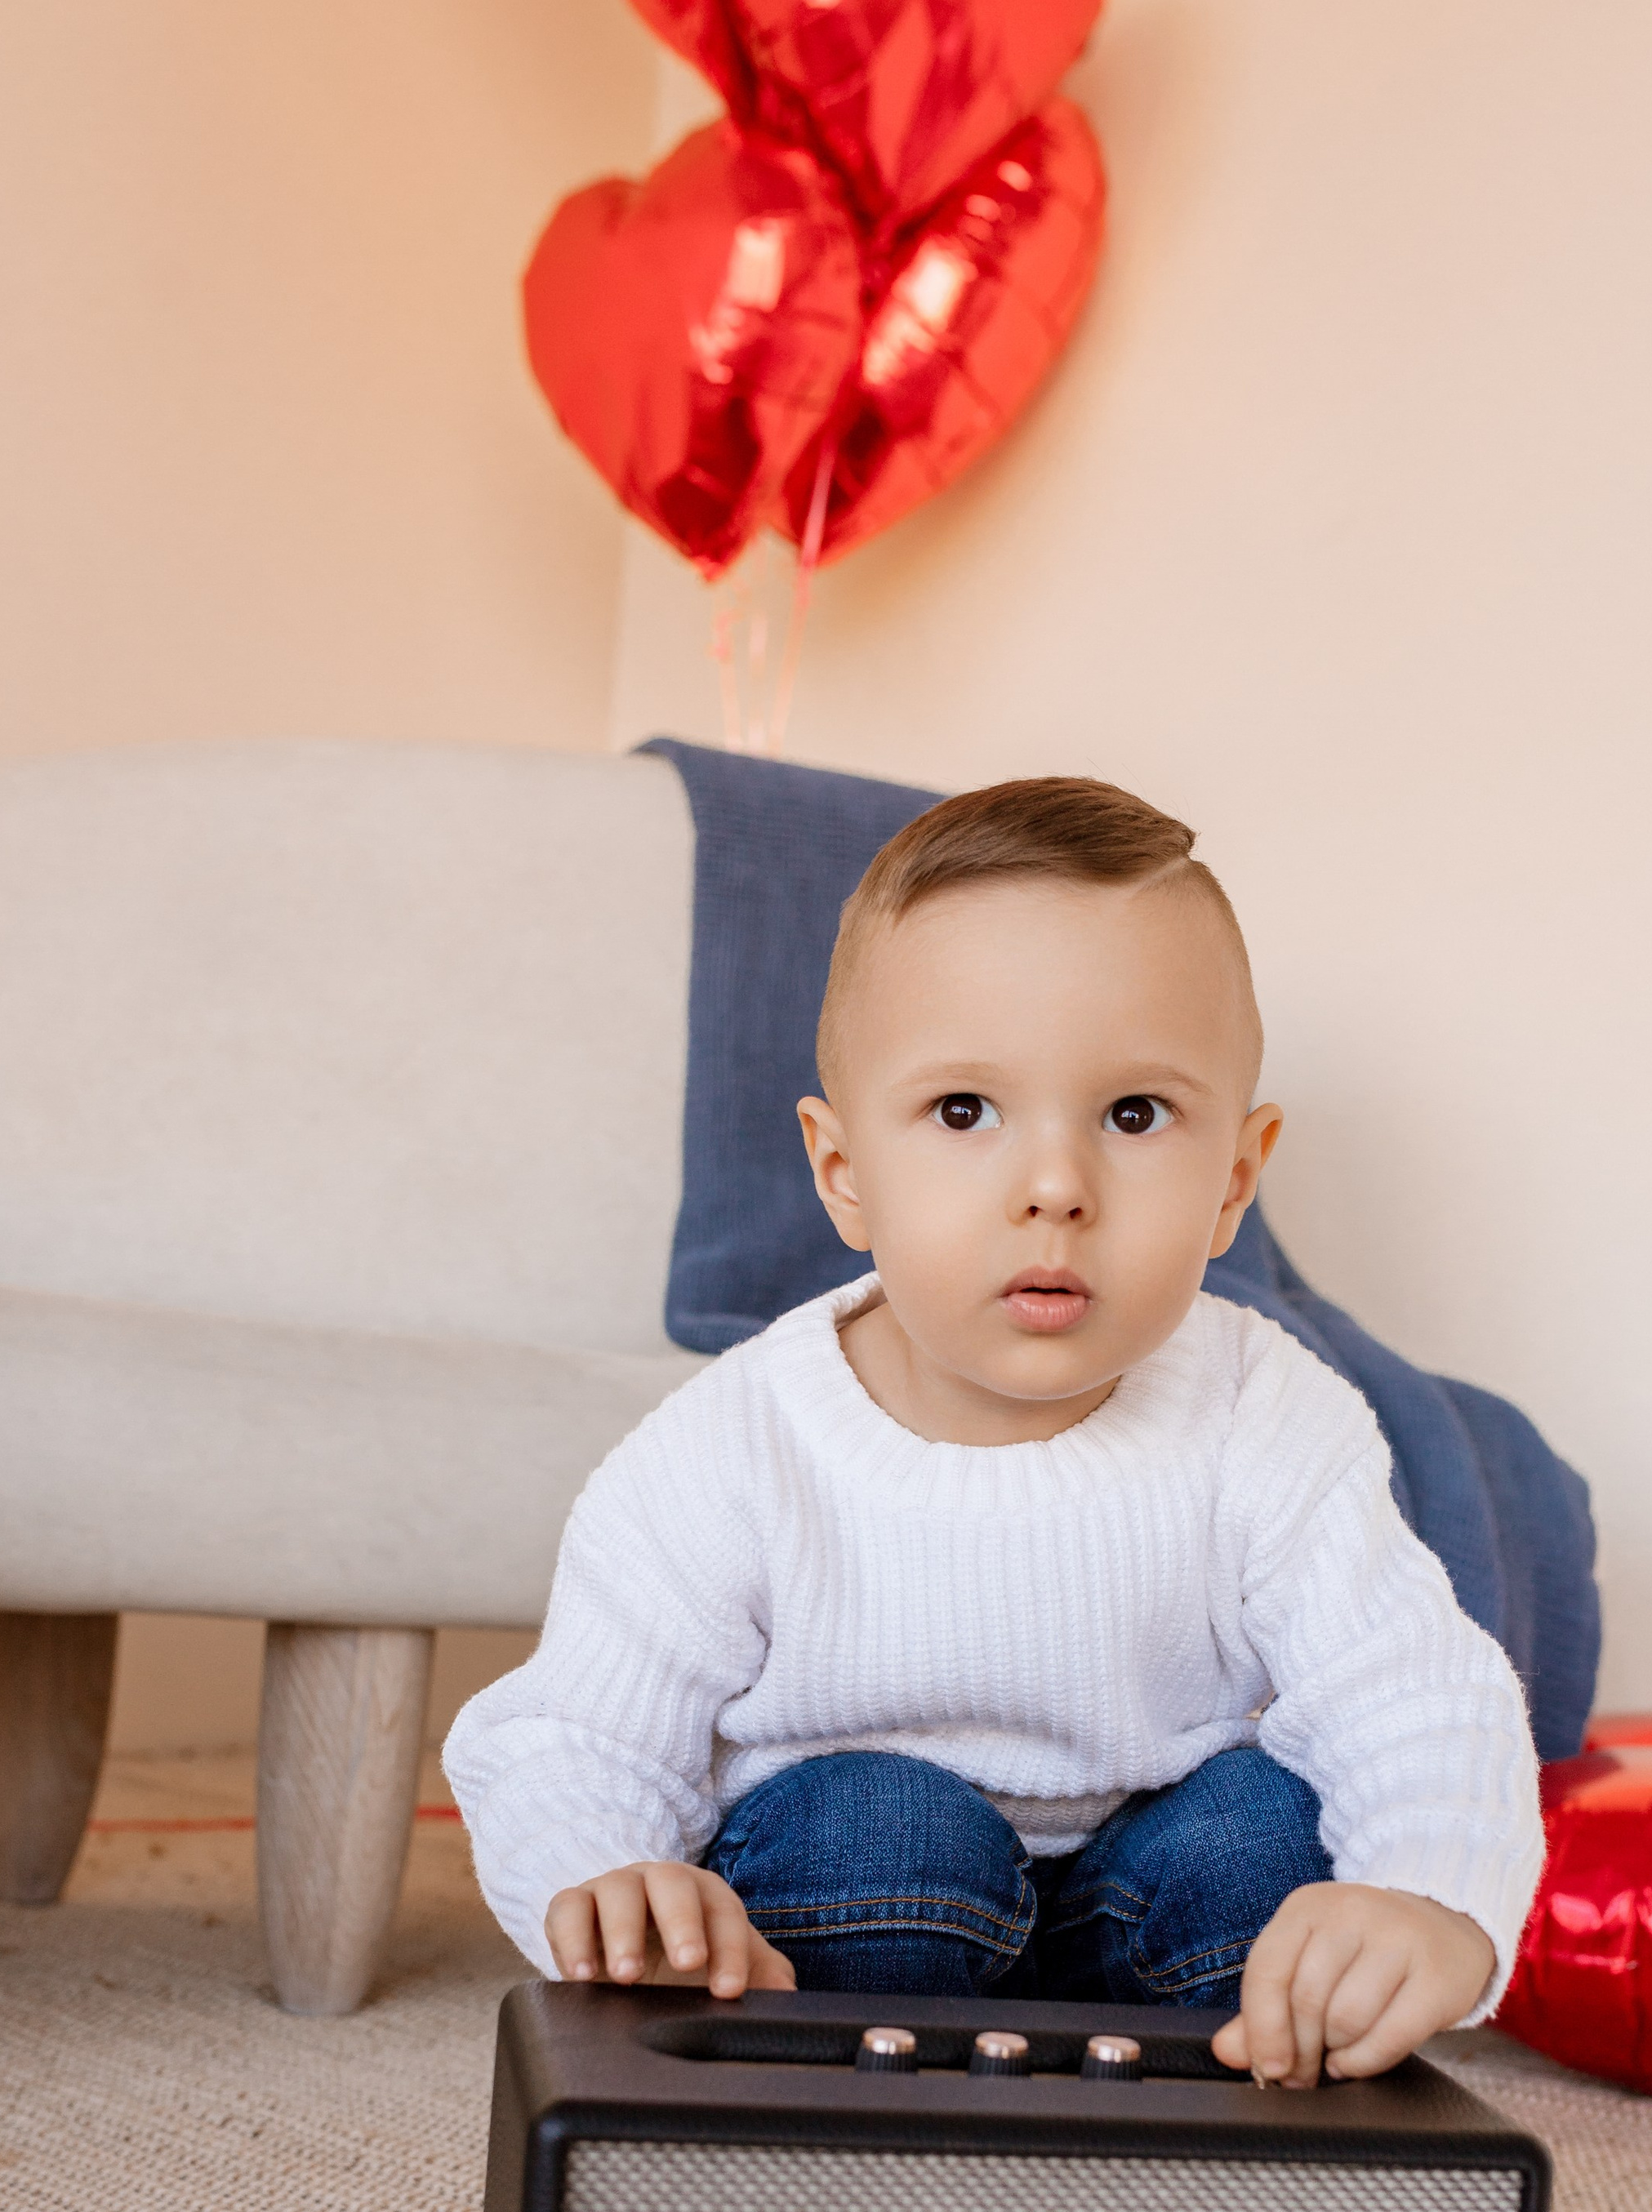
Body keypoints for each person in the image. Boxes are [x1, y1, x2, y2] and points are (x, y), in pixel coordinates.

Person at [445, 778, 1543, 2086]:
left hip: (1162, 1939)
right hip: (862, 1946)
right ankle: (859, 2123)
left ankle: (1202, 2125)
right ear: (844, 1170)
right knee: (877, 1829)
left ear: (1234, 1182)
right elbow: (577, 1735)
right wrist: (611, 1882)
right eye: (965, 1112)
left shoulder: (1267, 1411)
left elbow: (1409, 1688)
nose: (1055, 1190)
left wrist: (1434, 1896)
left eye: (1135, 1116)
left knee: (1265, 1831)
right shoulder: (735, 1447)